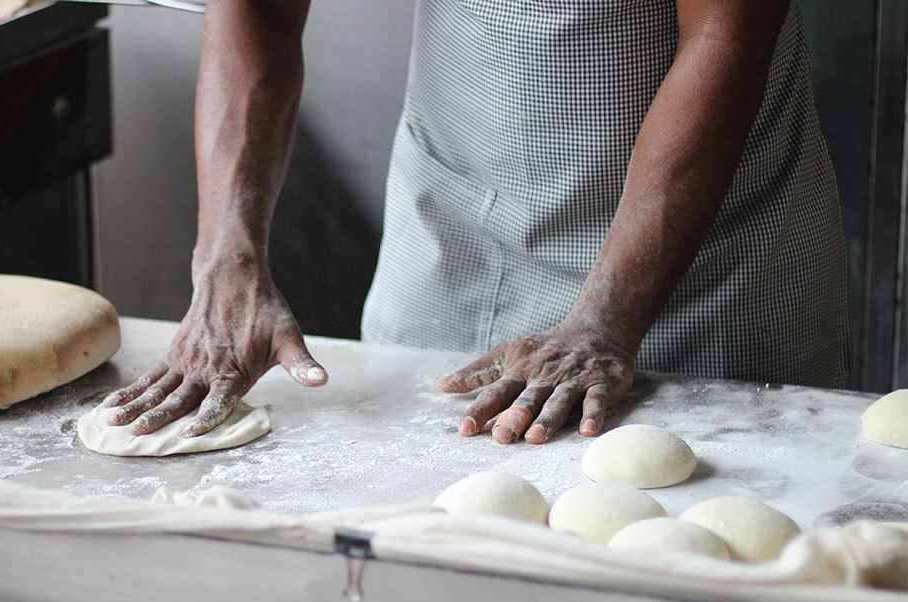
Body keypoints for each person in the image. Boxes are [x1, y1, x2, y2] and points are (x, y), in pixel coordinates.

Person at [99, 0, 850, 445]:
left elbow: (727, 32)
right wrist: (227, 257)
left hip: (705, 261)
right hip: (455, 220)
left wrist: (607, 320)